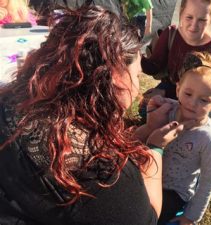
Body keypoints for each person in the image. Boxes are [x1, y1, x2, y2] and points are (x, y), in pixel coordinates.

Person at [0, 5, 189, 225]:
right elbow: (147, 216)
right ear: (117, 77)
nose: (137, 87)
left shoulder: (13, 103)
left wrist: (143, 131)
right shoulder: (99, 175)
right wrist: (155, 147)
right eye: (137, 75)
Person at [158, 51, 211, 225]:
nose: (193, 103)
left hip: (175, 192)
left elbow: (208, 180)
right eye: (188, 94)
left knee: (153, 215)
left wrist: (191, 217)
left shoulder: (209, 138)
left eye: (204, 100)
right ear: (178, 89)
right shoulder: (167, 110)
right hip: (151, 176)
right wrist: (153, 104)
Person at [141, 0, 211, 103]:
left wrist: (165, 93)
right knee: (145, 108)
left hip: (201, 98)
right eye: (189, 17)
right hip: (172, 87)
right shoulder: (171, 35)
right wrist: (133, 56)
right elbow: (153, 67)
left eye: (202, 20)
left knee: (185, 116)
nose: (194, 25)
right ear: (181, 13)